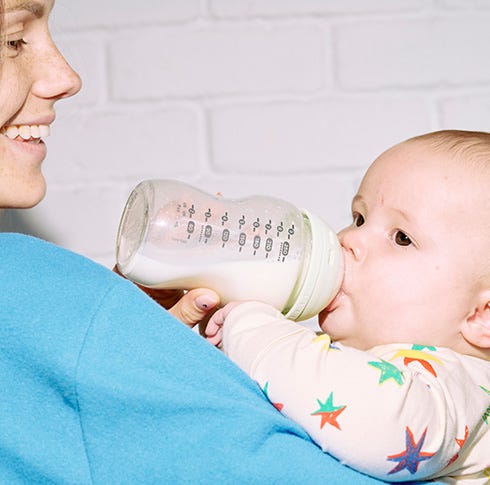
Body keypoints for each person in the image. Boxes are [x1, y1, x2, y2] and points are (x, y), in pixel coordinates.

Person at [0, 1, 404, 483]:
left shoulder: (49, 304)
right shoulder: (26, 286)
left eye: (403, 238)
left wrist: (133, 354)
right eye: (14, 39)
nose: (66, 76)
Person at [205, 130, 490, 483]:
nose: (349, 238)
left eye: (402, 237)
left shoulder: (459, 383)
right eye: (359, 218)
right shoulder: (370, 363)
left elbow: (382, 423)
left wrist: (253, 326)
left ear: (482, 316)